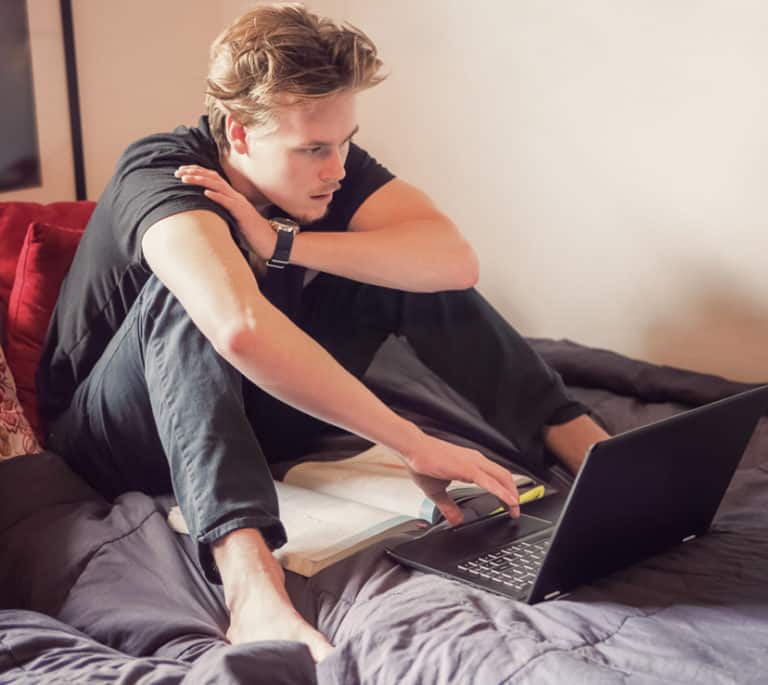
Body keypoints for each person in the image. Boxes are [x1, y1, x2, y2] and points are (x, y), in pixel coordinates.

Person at [38, 3, 609, 663]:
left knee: (402, 270)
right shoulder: (165, 173)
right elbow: (240, 328)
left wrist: (283, 243)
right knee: (191, 296)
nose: (336, 167)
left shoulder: (326, 165)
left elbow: (453, 261)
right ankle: (250, 582)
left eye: (344, 141)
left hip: (252, 408)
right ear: (240, 134)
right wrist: (411, 442)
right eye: (314, 148)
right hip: (119, 437)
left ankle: (591, 451)